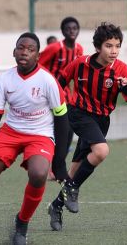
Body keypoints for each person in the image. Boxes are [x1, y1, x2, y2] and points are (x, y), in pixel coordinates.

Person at [0, 32, 69, 245]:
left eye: (30, 49)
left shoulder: (48, 80)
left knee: (38, 174)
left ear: (38, 56)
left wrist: (59, 161)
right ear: (14, 52)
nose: (25, 52)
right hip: (10, 132)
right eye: (21, 47)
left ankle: (22, 223)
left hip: (40, 135)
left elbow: (62, 120)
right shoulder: (6, 79)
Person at [47, 22, 127, 231]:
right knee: (101, 151)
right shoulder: (80, 63)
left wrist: (125, 87)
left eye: (117, 46)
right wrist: (53, 106)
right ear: (98, 47)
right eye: (109, 46)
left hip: (101, 120)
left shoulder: (121, 70)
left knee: (74, 172)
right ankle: (71, 189)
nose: (114, 51)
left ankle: (56, 206)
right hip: (78, 113)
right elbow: (59, 81)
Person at [39, 17, 84, 181]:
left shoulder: (79, 49)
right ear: (63, 31)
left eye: (75, 28)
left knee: (68, 132)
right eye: (68, 28)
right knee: (54, 131)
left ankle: (57, 167)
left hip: (66, 98)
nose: (72, 31)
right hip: (49, 96)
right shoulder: (54, 48)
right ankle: (47, 166)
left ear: (78, 30)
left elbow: (77, 73)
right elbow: (38, 64)